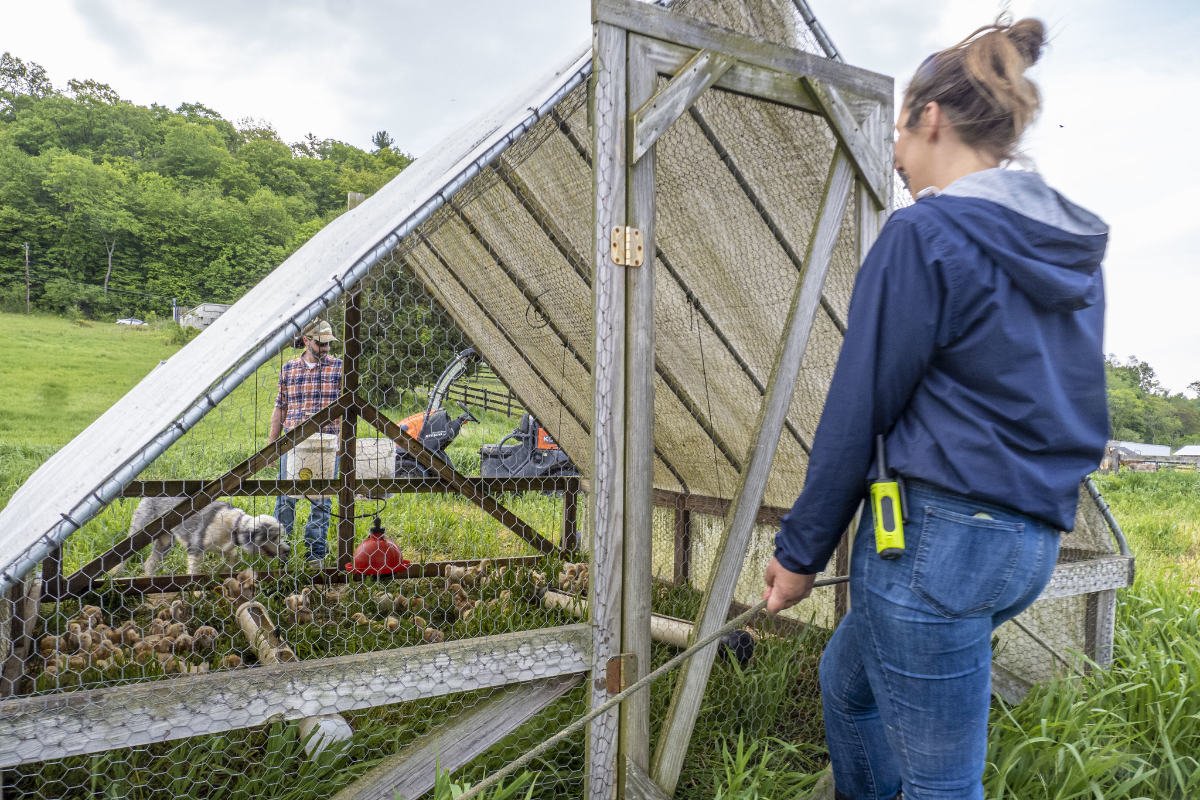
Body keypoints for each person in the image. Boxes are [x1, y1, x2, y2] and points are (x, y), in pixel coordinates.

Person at [763, 18, 1108, 800]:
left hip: (937, 552)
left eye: (898, 131)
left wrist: (797, 554)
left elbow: (861, 407)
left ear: (930, 118)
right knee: (848, 685)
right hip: (1028, 543)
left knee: (942, 786)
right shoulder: (1070, 254)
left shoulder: (924, 233)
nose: (895, 156)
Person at [270, 318, 343, 567]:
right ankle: (279, 553)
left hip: (326, 444)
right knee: (285, 499)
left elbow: (346, 411)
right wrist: (272, 445)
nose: (325, 349)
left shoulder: (339, 368)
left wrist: (343, 443)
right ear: (306, 341)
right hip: (292, 444)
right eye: (320, 344)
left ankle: (315, 555)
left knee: (321, 499)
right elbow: (280, 407)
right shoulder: (289, 369)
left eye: (328, 345)